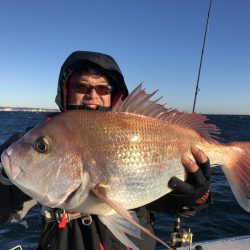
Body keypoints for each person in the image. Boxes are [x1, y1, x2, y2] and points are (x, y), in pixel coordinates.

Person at [0, 51, 211, 250]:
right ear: (66, 91)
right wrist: (4, 175)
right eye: (82, 87)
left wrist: (195, 197)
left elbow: (173, 204)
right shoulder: (36, 138)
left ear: (114, 95)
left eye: (103, 89)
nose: (93, 95)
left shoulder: (138, 129)